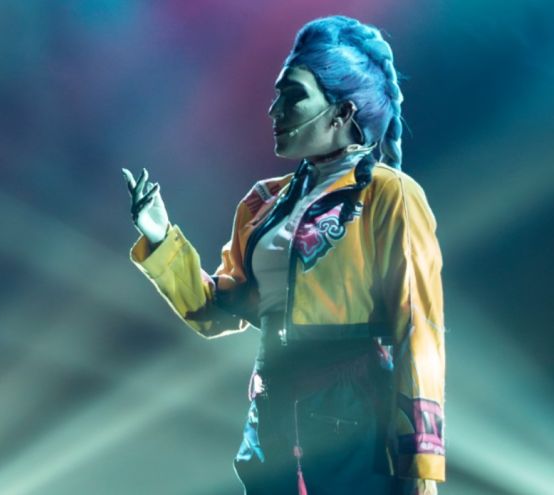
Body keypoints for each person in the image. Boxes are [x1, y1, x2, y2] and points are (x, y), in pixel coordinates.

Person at [122, 15, 444, 495]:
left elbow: (418, 328)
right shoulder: (262, 202)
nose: (274, 110)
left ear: (341, 112)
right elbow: (215, 312)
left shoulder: (388, 195)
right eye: (277, 95)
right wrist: (160, 236)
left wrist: (420, 465)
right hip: (271, 427)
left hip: (355, 429)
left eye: (292, 96)